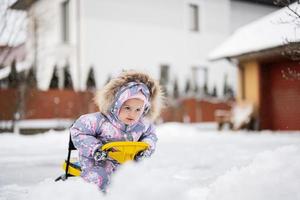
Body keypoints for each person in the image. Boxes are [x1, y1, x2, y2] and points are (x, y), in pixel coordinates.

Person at [70, 70, 164, 192]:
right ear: (116, 104)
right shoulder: (99, 121)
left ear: (144, 109)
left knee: (140, 181)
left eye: (138, 110)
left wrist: (146, 147)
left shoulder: (143, 125)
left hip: (125, 169)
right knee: (99, 178)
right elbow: (78, 131)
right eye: (127, 108)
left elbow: (150, 135)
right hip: (97, 165)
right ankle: (89, 194)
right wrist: (96, 149)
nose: (132, 114)